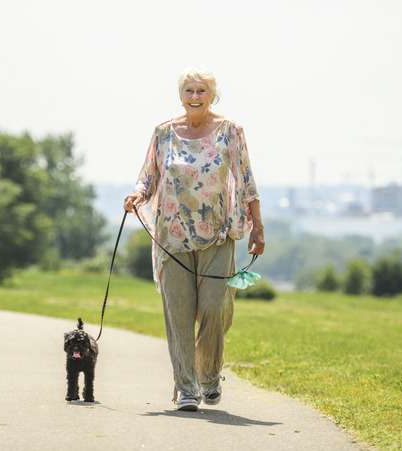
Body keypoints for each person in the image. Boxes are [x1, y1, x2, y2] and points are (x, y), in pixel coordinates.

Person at [123, 67, 265, 411]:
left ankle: (209, 375)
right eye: (189, 91)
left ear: (212, 95)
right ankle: (186, 387)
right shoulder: (163, 133)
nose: (195, 97)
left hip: (218, 235)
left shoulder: (231, 131)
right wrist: (137, 195)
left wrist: (257, 226)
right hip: (172, 239)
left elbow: (246, 179)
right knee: (180, 314)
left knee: (215, 309)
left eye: (202, 91)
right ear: (181, 95)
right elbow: (149, 176)